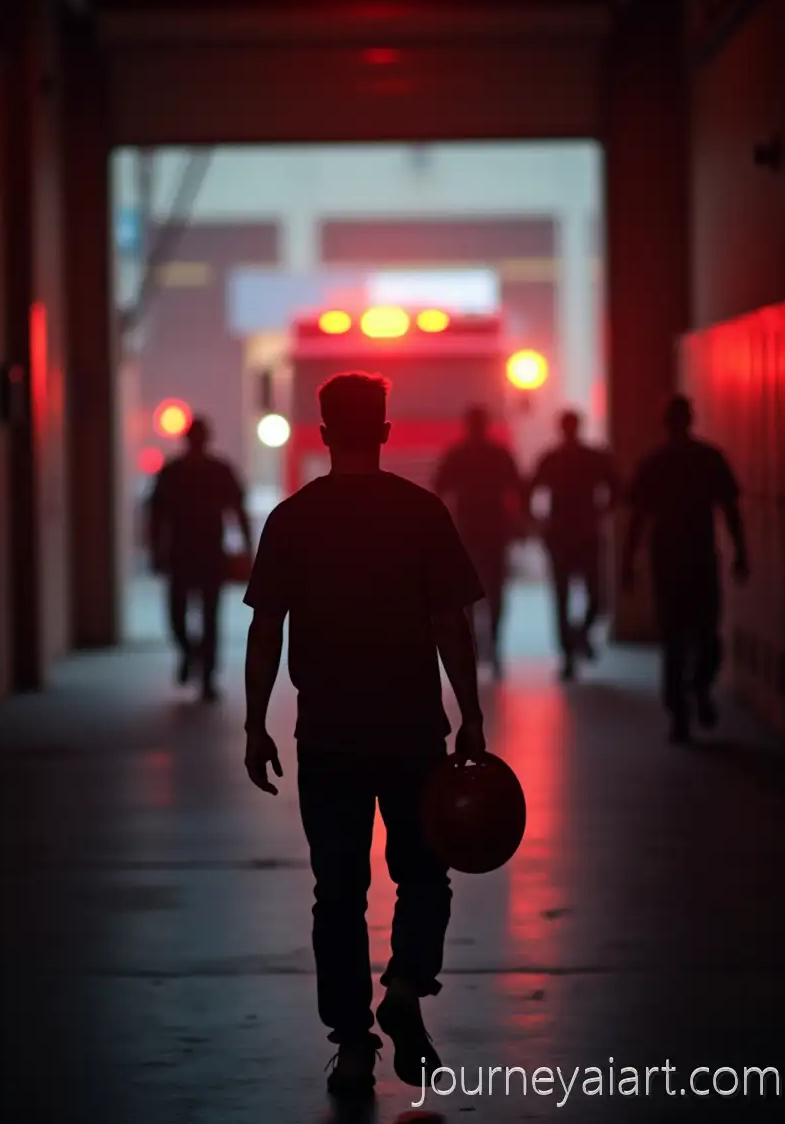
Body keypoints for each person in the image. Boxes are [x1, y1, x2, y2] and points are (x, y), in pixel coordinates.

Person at [241, 372, 487, 1099]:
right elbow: (452, 624)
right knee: (425, 873)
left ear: (322, 434)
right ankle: (407, 981)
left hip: (328, 737)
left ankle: (353, 1045)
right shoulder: (421, 513)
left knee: (338, 892)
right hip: (411, 731)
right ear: (383, 432)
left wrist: (257, 724)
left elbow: (264, 630)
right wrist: (470, 712)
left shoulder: (291, 517)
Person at [622, 394, 749, 743]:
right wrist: (741, 553)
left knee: (676, 639)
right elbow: (730, 510)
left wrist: (628, 565)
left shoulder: (656, 463)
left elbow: (637, 521)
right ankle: (693, 695)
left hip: (671, 560)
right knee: (704, 635)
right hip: (698, 559)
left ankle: (684, 703)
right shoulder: (707, 458)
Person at [147, 414, 253, 700]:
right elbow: (156, 515)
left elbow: (156, 516)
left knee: (199, 617)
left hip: (198, 554)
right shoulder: (204, 471)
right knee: (188, 617)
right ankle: (195, 658)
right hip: (193, 554)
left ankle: (203, 673)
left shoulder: (185, 471)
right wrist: (247, 547)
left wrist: (156, 549)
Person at [527, 408, 620, 680]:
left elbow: (530, 490)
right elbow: (616, 488)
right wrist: (601, 512)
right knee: (593, 596)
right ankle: (575, 644)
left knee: (565, 596)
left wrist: (538, 521)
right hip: (583, 533)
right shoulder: (592, 458)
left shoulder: (553, 459)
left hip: (562, 535)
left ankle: (571, 645)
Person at [432, 404, 524, 676]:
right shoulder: (499, 455)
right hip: (495, 531)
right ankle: (494, 646)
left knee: (466, 595)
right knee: (495, 592)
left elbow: (439, 488)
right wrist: (518, 523)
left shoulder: (456, 455)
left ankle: (472, 647)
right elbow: (516, 489)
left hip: (466, 532)